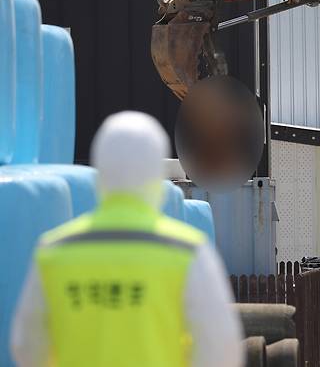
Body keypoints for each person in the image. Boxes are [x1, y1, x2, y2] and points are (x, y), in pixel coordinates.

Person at [11, 111, 244, 367]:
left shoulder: (55, 250)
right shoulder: (186, 251)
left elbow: (26, 345)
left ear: (100, 173)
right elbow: (220, 347)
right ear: (156, 174)